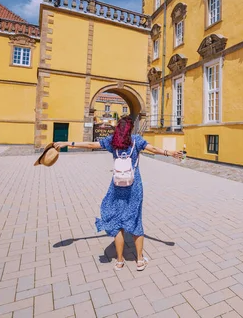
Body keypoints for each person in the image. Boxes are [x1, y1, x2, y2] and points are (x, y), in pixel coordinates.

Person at [54, 116, 182, 271]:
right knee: (135, 220)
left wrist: (68, 143)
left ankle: (119, 261)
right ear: (130, 128)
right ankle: (140, 260)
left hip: (116, 186)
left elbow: (90, 144)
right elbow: (154, 149)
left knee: (117, 223)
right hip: (134, 186)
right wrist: (170, 153)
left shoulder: (111, 141)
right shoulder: (136, 140)